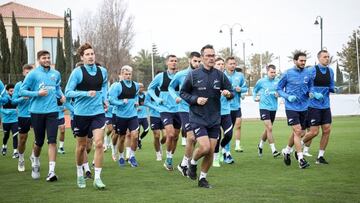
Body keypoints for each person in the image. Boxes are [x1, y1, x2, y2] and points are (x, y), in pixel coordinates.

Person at [181, 44, 233, 188]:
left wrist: (229, 94)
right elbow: (183, 93)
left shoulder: (220, 75)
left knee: (211, 150)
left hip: (215, 119)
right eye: (208, 56)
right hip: (198, 118)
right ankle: (192, 163)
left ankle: (202, 179)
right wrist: (195, 100)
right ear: (202, 57)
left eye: (213, 55)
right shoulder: (193, 75)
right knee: (204, 147)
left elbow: (231, 91)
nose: (211, 58)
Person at [65, 43, 108, 189]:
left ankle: (97, 178)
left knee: (99, 144)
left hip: (98, 113)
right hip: (81, 114)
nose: (91, 56)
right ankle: (79, 173)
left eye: (92, 53)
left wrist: (104, 99)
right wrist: (85, 93)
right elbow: (68, 92)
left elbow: (104, 86)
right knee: (81, 146)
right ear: (82, 57)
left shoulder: (102, 71)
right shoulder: (77, 72)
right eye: (87, 54)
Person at [20, 50, 65, 181]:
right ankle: (35, 161)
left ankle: (51, 171)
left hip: (52, 111)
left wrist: (61, 95)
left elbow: (57, 88)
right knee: (39, 142)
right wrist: (37, 93)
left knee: (52, 140)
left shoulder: (55, 74)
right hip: (37, 112)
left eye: (48, 57)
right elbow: (23, 91)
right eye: (44, 58)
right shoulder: (33, 74)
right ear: (39, 60)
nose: (47, 60)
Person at [277, 51, 313, 169]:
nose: (303, 62)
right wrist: (287, 96)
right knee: (297, 131)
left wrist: (311, 92)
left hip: (304, 106)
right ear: (295, 61)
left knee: (301, 132)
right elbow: (279, 88)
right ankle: (301, 159)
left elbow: (311, 86)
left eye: (304, 61)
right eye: (301, 60)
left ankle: (287, 150)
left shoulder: (308, 73)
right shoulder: (287, 73)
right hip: (291, 107)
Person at [169, 51, 201, 176]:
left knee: (195, 140)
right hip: (184, 109)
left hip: (198, 110)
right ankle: (186, 163)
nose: (197, 64)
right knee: (191, 137)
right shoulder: (181, 75)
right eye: (195, 61)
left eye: (199, 61)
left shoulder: (202, 75)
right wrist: (175, 97)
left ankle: (183, 164)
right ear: (189, 60)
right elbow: (171, 87)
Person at [148, 55, 181, 171]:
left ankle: (169, 159)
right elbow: (150, 89)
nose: (174, 63)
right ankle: (168, 158)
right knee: (170, 134)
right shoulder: (160, 76)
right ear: (167, 63)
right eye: (171, 61)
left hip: (178, 110)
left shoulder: (180, 76)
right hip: (165, 109)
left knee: (176, 137)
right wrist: (156, 99)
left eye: (175, 61)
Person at [301, 50, 335, 164]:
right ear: (319, 58)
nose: (327, 58)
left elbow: (331, 86)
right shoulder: (311, 70)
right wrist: (314, 94)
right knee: (314, 132)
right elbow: (304, 86)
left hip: (325, 106)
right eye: (325, 57)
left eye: (328, 57)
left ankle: (320, 157)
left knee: (327, 130)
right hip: (313, 106)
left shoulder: (330, 71)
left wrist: (333, 89)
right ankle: (298, 145)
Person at [109, 65, 140, 167]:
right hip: (120, 116)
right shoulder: (117, 86)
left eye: (130, 74)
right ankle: (121, 157)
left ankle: (132, 157)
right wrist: (121, 102)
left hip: (133, 115)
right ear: (122, 75)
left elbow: (136, 96)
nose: (128, 76)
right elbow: (111, 100)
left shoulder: (136, 85)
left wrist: (136, 102)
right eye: (126, 74)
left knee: (135, 136)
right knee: (121, 138)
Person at [253, 64, 281, 157]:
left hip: (273, 108)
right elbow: (254, 90)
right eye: (271, 72)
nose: (273, 74)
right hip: (264, 107)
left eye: (274, 72)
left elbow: (281, 91)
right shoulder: (261, 81)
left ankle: (260, 145)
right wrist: (254, 97)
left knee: (268, 129)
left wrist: (279, 94)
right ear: (267, 72)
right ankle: (274, 150)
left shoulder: (278, 81)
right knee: (269, 128)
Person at [213, 57, 234, 167]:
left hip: (226, 112)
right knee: (217, 136)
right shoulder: (209, 78)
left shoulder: (226, 79)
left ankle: (222, 149)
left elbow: (232, 94)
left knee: (229, 134)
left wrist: (228, 94)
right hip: (214, 113)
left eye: (222, 64)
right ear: (214, 65)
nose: (220, 66)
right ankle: (215, 158)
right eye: (218, 64)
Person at [224, 57, 248, 152]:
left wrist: (240, 89)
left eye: (234, 63)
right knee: (227, 130)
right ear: (226, 65)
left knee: (238, 125)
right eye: (230, 63)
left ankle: (237, 145)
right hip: (225, 107)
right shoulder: (222, 75)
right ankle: (225, 149)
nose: (233, 65)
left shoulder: (240, 75)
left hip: (236, 106)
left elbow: (245, 88)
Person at [12, 64, 33, 171]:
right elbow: (13, 101)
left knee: (39, 137)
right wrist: (23, 98)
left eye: (31, 73)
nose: (29, 74)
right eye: (27, 73)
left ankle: (34, 155)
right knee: (23, 139)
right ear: (23, 73)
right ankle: (21, 158)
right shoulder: (18, 85)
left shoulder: (36, 84)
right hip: (23, 115)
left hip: (36, 114)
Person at [144, 84, 166, 161]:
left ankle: (160, 144)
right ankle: (158, 154)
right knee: (156, 136)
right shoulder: (151, 90)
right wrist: (156, 107)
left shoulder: (167, 88)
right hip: (154, 116)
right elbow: (146, 102)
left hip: (165, 115)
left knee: (165, 136)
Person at [1, 84, 19, 158]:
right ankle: (4, 146)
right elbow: (0, 108)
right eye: (11, 91)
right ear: (7, 91)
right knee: (6, 135)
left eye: (14, 91)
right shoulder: (3, 98)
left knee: (15, 135)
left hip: (15, 120)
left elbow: (18, 107)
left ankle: (15, 152)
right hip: (6, 120)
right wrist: (6, 112)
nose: (12, 92)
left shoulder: (15, 98)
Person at [137, 83, 149, 149]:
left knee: (147, 130)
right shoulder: (135, 96)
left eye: (142, 87)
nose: (141, 89)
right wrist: (136, 108)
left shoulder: (145, 96)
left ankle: (140, 138)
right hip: (137, 117)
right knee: (137, 131)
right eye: (139, 87)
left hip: (144, 116)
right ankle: (138, 144)